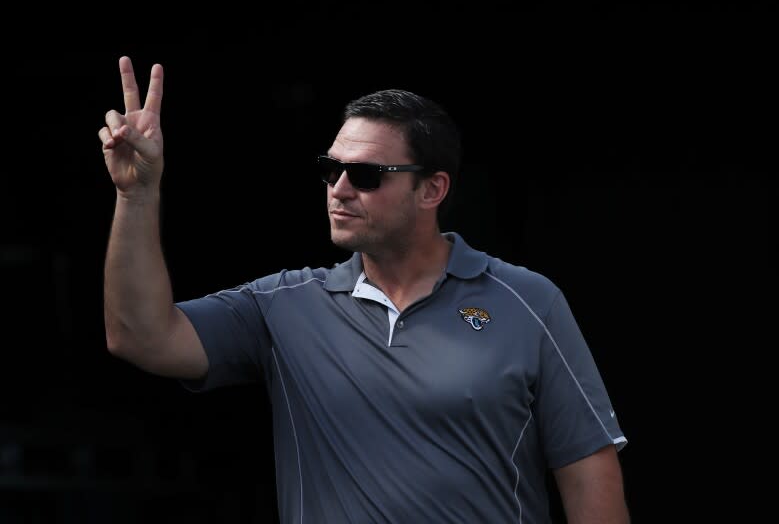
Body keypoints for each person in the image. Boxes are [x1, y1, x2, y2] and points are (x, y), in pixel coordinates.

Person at [99, 55, 630, 524]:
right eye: (331, 170)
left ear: (432, 189)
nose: (340, 189)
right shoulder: (283, 306)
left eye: (366, 175)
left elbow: (587, 474)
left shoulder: (528, 300)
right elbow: (139, 337)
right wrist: (138, 194)